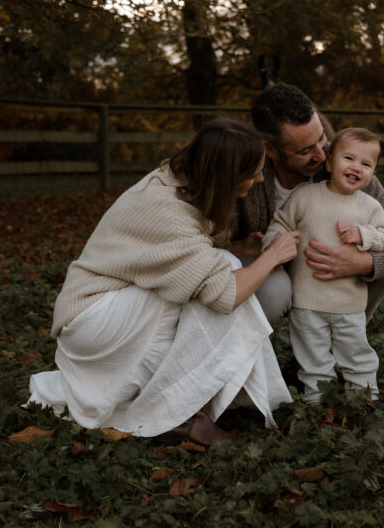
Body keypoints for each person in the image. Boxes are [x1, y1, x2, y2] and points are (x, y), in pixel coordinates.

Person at [28, 118, 300, 445]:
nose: (259, 179)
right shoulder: (167, 211)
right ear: (226, 177)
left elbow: (170, 256)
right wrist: (273, 255)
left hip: (117, 306)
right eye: (253, 173)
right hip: (91, 320)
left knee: (223, 264)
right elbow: (226, 295)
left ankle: (202, 393)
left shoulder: (180, 180)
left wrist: (240, 249)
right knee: (221, 276)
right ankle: (175, 412)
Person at [231, 81, 384, 324]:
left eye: (321, 138)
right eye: (305, 151)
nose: (322, 154)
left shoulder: (348, 171)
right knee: (274, 291)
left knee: (382, 257)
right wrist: (240, 248)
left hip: (336, 285)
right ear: (270, 150)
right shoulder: (247, 177)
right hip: (275, 273)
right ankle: (255, 350)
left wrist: (364, 263)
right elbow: (205, 245)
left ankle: (346, 338)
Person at [262, 127, 384, 402]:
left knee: (356, 352)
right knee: (312, 356)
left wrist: (364, 235)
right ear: (329, 161)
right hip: (307, 299)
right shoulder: (305, 196)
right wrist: (275, 244)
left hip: (349, 302)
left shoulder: (370, 207)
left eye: (366, 164)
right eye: (349, 158)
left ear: (373, 173)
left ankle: (365, 396)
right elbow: (281, 223)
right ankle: (316, 399)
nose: (356, 167)